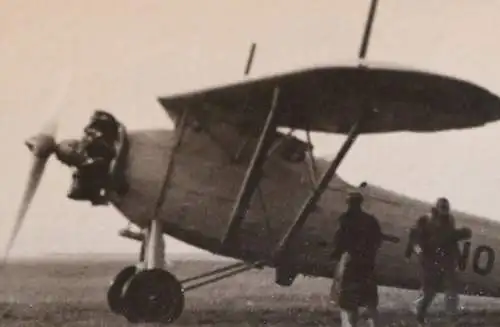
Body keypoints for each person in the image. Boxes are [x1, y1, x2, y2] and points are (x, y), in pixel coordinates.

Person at [406, 197, 471, 326]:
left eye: (446, 209)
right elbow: (414, 239)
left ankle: (451, 319)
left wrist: (459, 258)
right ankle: (419, 313)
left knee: (451, 291)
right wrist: (419, 253)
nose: (445, 211)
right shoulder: (426, 220)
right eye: (443, 208)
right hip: (430, 262)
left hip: (446, 262)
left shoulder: (449, 221)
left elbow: (452, 241)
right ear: (437, 208)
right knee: (428, 293)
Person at [330, 191, 383, 327]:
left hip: (350, 264)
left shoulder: (345, 219)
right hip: (367, 265)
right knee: (370, 304)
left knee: (347, 304)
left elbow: (338, 241)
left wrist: (335, 254)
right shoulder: (371, 220)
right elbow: (377, 241)